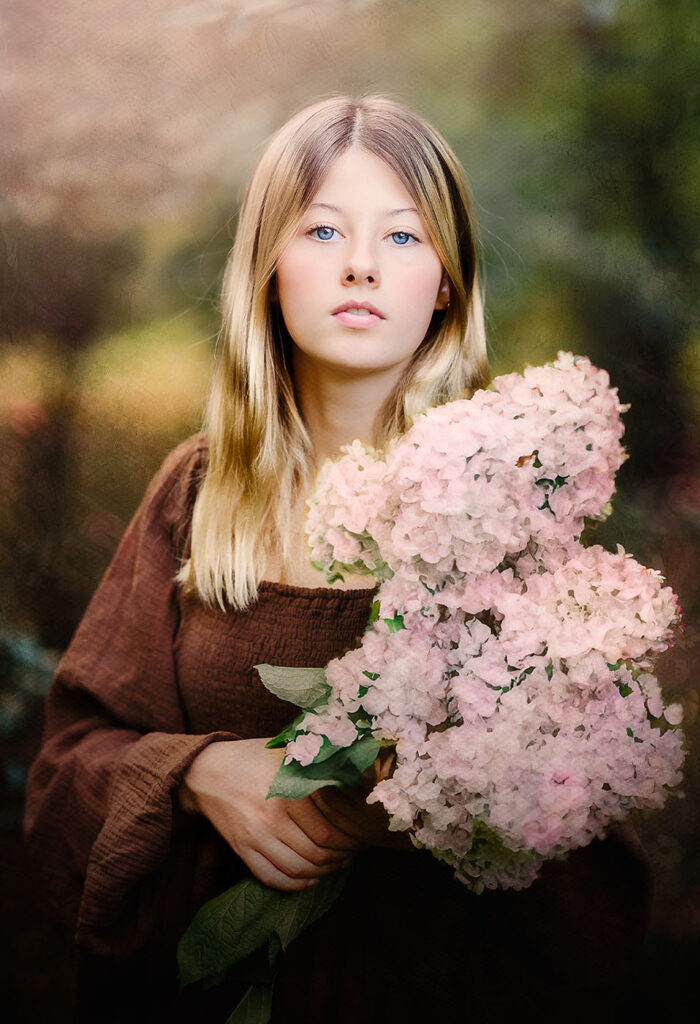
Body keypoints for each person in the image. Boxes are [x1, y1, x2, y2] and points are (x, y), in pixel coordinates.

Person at [24, 95, 652, 1023]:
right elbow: (72, 759)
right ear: (269, 268)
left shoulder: (507, 503)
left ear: (445, 281)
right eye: (321, 229)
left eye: (402, 238)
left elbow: (584, 833)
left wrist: (440, 814)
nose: (360, 263)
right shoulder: (200, 492)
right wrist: (197, 776)